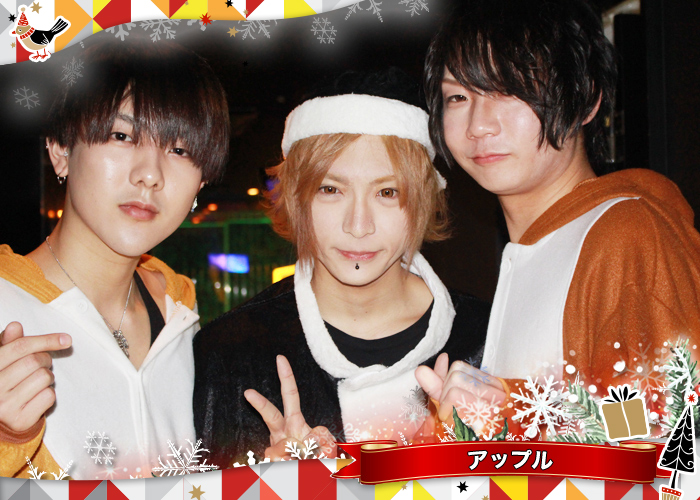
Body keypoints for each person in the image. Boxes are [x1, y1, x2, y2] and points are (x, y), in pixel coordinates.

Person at [417, 0, 700, 439]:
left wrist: (517, 414)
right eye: (458, 97)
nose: (478, 125)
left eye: (509, 89)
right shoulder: (535, 248)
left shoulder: (625, 233)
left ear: (585, 99)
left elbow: (672, 426)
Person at [193, 70, 490, 467]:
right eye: (330, 189)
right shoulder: (229, 354)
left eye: (388, 192)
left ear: (422, 200)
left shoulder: (489, 339)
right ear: (297, 197)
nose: (358, 225)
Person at [0, 40, 229, 479]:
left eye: (180, 150)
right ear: (61, 149)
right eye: (122, 136)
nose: (150, 175)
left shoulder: (182, 316)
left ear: (201, 183)